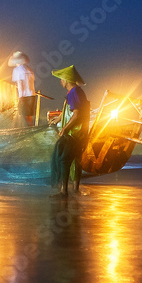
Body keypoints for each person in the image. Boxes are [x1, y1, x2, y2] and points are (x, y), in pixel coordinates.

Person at [50, 65, 89, 196]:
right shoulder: (76, 92)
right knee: (76, 161)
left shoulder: (74, 92)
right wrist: (59, 118)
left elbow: (76, 114)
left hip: (74, 133)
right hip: (80, 133)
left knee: (63, 160)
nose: (60, 82)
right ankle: (75, 189)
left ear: (67, 80)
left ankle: (64, 191)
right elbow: (71, 108)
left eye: (61, 79)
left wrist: (65, 128)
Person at [8, 50, 37, 127]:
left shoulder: (17, 70)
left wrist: (20, 97)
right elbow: (32, 81)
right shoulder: (29, 69)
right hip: (32, 95)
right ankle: (31, 129)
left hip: (24, 96)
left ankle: (27, 131)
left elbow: (20, 83)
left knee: (24, 116)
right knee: (29, 116)